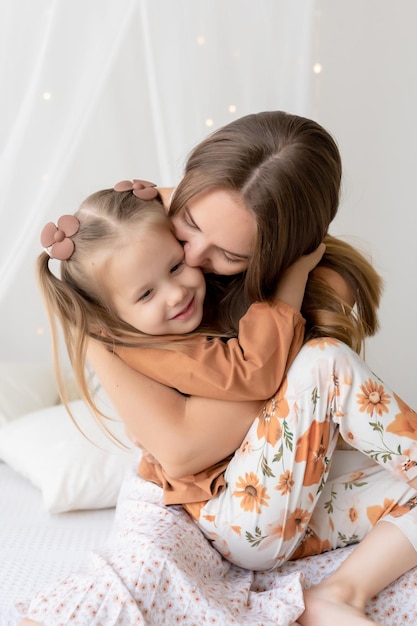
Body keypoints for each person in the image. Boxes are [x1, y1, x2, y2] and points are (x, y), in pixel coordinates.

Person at [21, 111, 417, 626]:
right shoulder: (132, 328)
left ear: (271, 254)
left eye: (228, 252)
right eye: (188, 225)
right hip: (231, 514)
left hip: (281, 505)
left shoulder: (310, 279)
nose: (189, 271)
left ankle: (340, 592)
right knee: (325, 363)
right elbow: (229, 402)